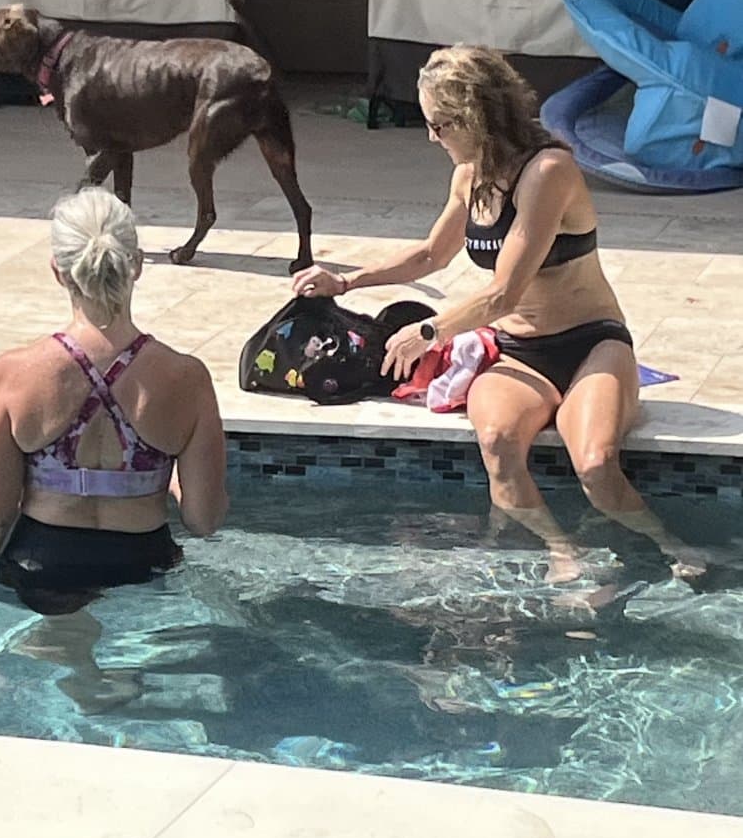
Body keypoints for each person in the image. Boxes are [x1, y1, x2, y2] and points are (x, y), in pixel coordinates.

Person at [293, 45, 703, 581]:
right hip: (517, 351)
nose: (431, 137)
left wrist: (429, 331)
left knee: (597, 464)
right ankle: (562, 552)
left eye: (438, 125)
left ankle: (669, 544)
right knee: (497, 443)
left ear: (474, 117)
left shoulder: (549, 171)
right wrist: (345, 281)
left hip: (589, 344)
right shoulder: (469, 175)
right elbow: (430, 254)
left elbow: (505, 291)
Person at [0, 187, 228, 614]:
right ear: (138, 265)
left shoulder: (15, 373)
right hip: (144, 566)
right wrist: (170, 483)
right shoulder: (186, 378)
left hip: (41, 566)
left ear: (58, 271)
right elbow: (204, 520)